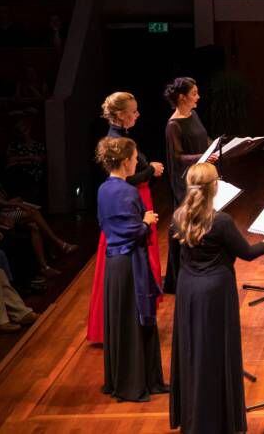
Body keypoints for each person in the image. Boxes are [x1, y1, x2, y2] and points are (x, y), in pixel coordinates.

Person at [169, 162, 264, 434]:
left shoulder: (178, 217)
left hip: (189, 290)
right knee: (216, 352)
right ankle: (218, 419)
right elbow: (247, 253)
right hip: (215, 293)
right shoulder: (220, 221)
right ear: (215, 188)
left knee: (193, 351)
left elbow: (176, 261)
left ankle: (193, 417)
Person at [88, 92, 165, 345]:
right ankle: (125, 322)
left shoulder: (122, 137)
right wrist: (149, 170)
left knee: (144, 260)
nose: (137, 114)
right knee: (135, 260)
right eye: (133, 111)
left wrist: (147, 169)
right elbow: (123, 178)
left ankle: (139, 315)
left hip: (139, 199)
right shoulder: (114, 140)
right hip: (132, 203)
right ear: (120, 114)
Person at [94, 136, 167, 402]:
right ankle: (136, 382)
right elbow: (133, 231)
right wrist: (147, 221)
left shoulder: (103, 189)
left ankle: (128, 379)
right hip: (129, 265)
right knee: (133, 320)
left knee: (121, 320)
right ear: (125, 161)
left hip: (114, 265)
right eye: (135, 159)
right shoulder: (127, 192)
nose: (137, 162)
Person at [163, 77, 215, 293]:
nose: (198, 97)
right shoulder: (173, 125)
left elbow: (202, 138)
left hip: (201, 174)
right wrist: (203, 157)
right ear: (182, 97)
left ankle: (201, 268)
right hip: (185, 181)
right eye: (194, 93)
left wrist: (214, 146)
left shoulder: (193, 114)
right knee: (185, 226)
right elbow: (177, 158)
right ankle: (179, 277)